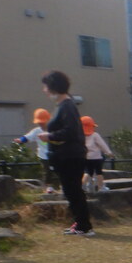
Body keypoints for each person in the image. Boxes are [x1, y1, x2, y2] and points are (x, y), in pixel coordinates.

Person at [37, 70, 94, 236]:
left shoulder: (67, 106)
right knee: (72, 191)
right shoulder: (64, 106)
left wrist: (49, 136)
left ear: (53, 87)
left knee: (73, 191)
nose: (44, 90)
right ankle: (81, 223)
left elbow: (70, 131)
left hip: (70, 156)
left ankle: (84, 225)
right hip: (66, 156)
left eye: (46, 86)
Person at [16, 108, 55, 192]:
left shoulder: (53, 129)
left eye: (43, 122)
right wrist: (21, 140)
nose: (41, 124)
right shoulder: (36, 131)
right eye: (39, 122)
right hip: (43, 154)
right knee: (47, 170)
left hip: (55, 153)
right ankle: (49, 186)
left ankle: (63, 185)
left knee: (59, 169)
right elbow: (28, 137)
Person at [81, 116, 114, 194]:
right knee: (99, 172)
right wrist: (109, 153)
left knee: (87, 172)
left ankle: (81, 185)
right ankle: (101, 187)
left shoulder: (80, 136)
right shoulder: (95, 135)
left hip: (86, 157)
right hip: (96, 157)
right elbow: (102, 145)